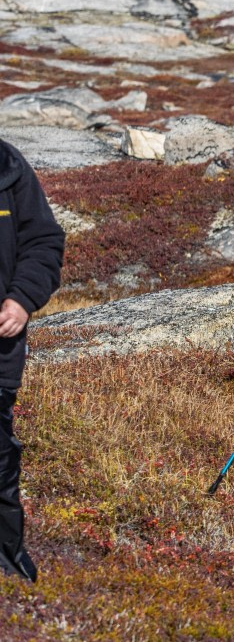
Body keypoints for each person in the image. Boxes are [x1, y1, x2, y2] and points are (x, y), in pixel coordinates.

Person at [0, 138, 65, 581]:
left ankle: (6, 562)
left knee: (0, 460)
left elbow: (44, 240)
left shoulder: (8, 166)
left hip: (0, 352)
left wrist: (21, 299)